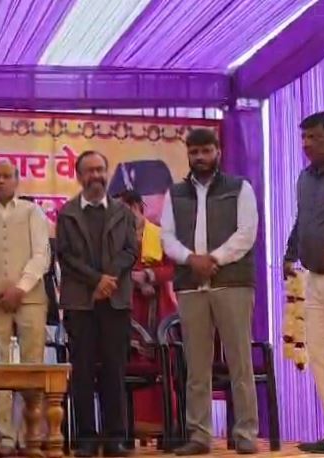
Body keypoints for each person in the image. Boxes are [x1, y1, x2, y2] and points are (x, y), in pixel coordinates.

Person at [160, 128, 259, 456]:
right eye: (194, 152)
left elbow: (247, 233)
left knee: (239, 361)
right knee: (196, 365)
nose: (200, 157)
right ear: (188, 154)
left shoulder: (239, 188)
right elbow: (167, 238)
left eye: (206, 151)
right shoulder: (175, 193)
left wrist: (213, 259)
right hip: (191, 286)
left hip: (232, 282)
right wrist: (192, 260)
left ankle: (245, 433)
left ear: (218, 151)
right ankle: (199, 435)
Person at [56, 150, 136, 457]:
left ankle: (115, 437)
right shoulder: (67, 213)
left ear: (107, 172)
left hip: (115, 302)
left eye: (100, 169)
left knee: (114, 370)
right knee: (83, 371)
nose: (96, 176)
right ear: (78, 176)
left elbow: (131, 251)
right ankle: (86, 439)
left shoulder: (123, 212)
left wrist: (109, 279)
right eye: (89, 171)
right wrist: (96, 280)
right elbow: (65, 255)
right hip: (80, 303)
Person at [0, 161, 50, 456]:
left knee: (31, 367)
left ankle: (30, 437)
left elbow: (41, 254)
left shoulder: (32, 212)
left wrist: (21, 288)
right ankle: (5, 438)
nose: (0, 181)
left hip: (30, 299)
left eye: (6, 176)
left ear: (17, 180)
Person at [284, 112, 324, 454]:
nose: (307, 144)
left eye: (315, 137)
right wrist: (289, 253)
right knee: (322, 355)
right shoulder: (305, 177)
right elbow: (303, 220)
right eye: (304, 137)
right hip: (314, 277)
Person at [114, 190, 177, 439]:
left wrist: (150, 276)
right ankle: (132, 425)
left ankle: (166, 425)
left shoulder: (160, 236)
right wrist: (133, 279)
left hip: (157, 309)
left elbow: (174, 268)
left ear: (138, 209)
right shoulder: (114, 238)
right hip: (128, 307)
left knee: (161, 366)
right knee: (131, 365)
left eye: (128, 210)